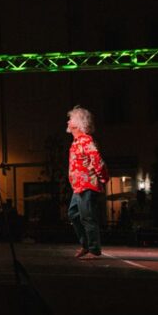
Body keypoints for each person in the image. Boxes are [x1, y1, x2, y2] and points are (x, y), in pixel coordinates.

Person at [66, 105, 109, 259]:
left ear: (78, 123)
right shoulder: (76, 142)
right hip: (78, 187)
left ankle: (94, 249)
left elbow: (97, 160)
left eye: (71, 119)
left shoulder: (85, 140)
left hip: (87, 185)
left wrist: (103, 178)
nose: (68, 122)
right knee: (73, 214)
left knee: (87, 217)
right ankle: (86, 245)